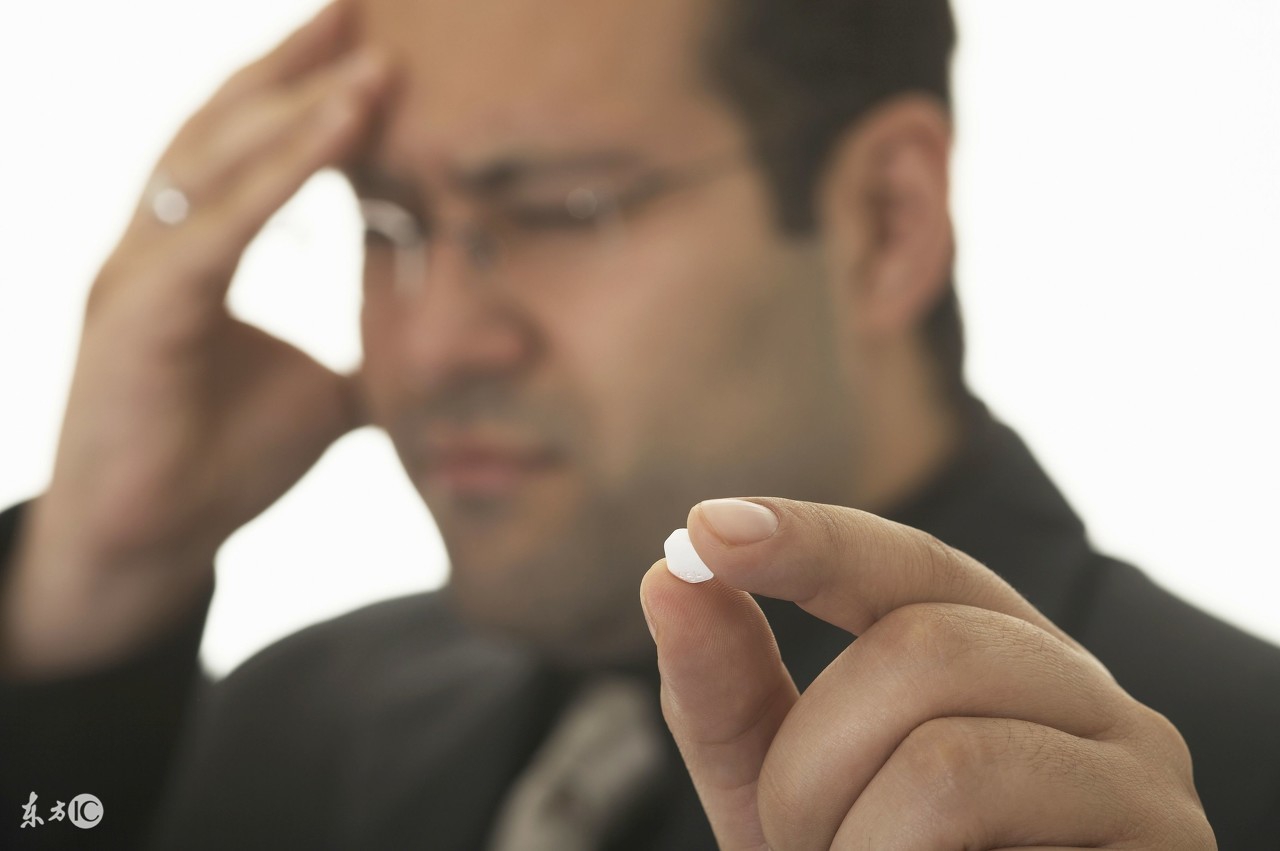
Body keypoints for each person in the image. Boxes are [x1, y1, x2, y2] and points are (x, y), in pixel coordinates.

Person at [1, 0, 1278, 847]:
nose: (426, 340)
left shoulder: (1231, 779)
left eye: (560, 207)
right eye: (386, 227)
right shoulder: (293, 719)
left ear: (882, 219)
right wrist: (91, 607)